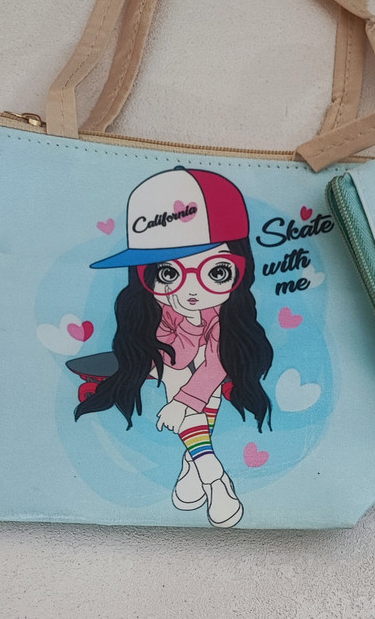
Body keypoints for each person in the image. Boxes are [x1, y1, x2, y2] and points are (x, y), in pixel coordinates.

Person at [74, 167, 273, 527]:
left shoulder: (225, 317)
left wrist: (183, 403)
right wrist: (185, 387)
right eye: (169, 273)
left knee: (198, 383)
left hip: (206, 368)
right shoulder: (155, 313)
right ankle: (214, 476)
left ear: (240, 267)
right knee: (177, 373)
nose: (191, 291)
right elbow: (168, 354)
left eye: (216, 272)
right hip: (170, 365)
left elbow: (217, 361)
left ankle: (196, 466)